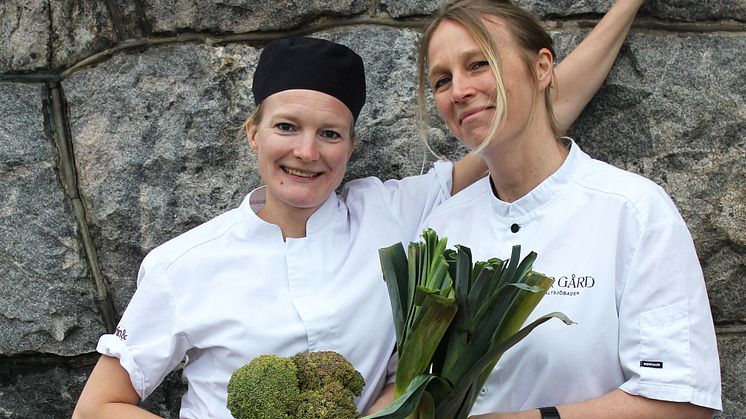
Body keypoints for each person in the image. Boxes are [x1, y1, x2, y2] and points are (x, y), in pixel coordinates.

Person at [72, 5, 643, 416]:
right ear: (253, 134)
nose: (306, 152)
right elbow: (99, 406)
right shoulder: (183, 264)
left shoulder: (393, 212)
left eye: (330, 134)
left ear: (350, 145)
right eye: (286, 127)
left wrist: (625, 7)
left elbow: (529, 117)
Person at [412, 1, 722, 418]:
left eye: (480, 63)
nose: (461, 91)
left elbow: (680, 403)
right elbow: (414, 388)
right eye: (442, 80)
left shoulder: (631, 211)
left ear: (542, 68)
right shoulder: (442, 228)